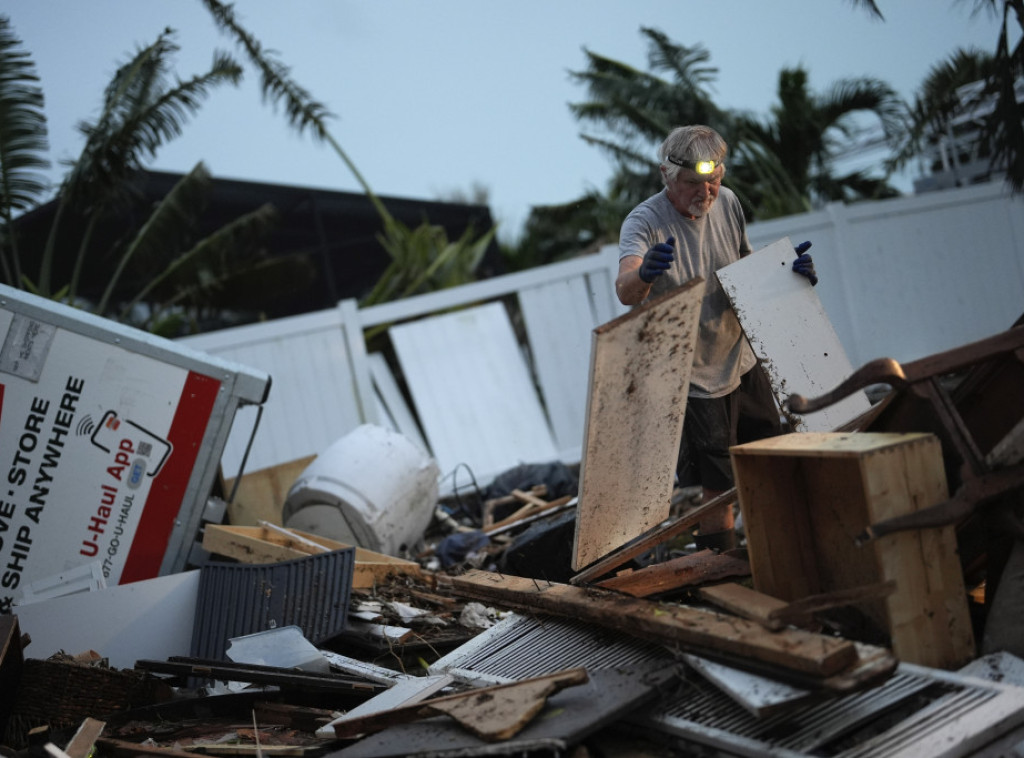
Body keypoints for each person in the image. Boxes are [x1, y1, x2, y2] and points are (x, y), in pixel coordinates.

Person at [615, 124, 818, 552]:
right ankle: (719, 575)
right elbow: (624, 289)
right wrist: (645, 273)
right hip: (696, 379)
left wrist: (789, 275)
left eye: (714, 179)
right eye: (692, 183)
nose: (705, 193)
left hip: (741, 359)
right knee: (719, 489)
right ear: (666, 175)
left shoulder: (728, 203)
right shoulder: (645, 221)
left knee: (770, 460)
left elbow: (745, 269)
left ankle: (783, 555)